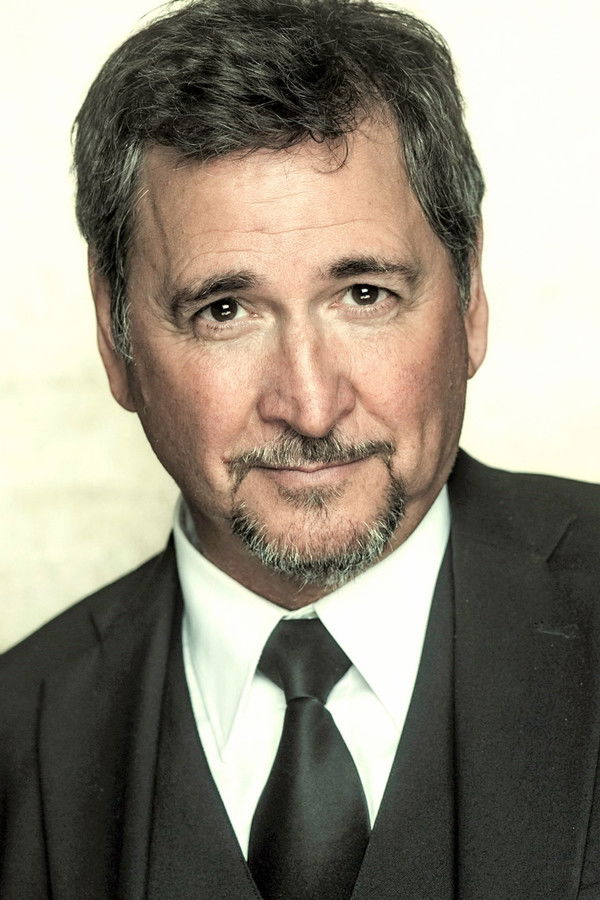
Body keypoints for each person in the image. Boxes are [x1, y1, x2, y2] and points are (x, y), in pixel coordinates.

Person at [1, 0, 599, 897]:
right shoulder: (14, 736)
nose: (311, 408)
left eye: (365, 295)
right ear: (115, 338)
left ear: (470, 297)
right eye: (225, 311)